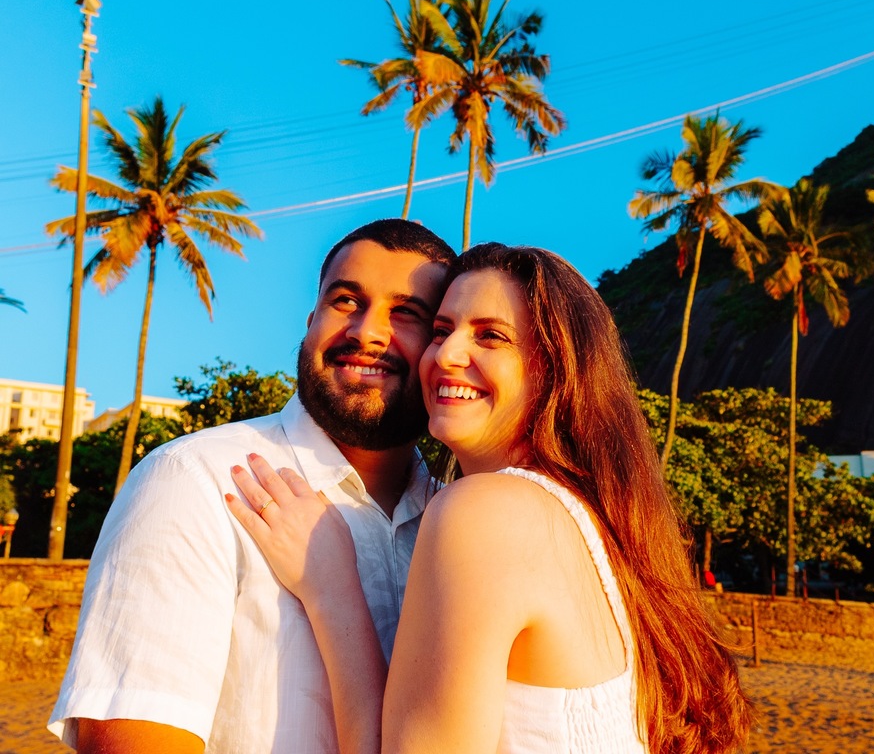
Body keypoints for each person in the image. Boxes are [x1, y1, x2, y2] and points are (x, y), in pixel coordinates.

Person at [228, 243, 751, 754]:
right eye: (441, 330)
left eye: (491, 336)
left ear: (554, 368)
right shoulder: (595, 524)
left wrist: (332, 589)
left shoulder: (485, 513)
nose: (447, 355)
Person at [50, 219, 455, 753]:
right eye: (345, 301)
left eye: (406, 312)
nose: (366, 331)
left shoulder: (454, 517)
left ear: (442, 346)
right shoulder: (198, 480)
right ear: (311, 322)